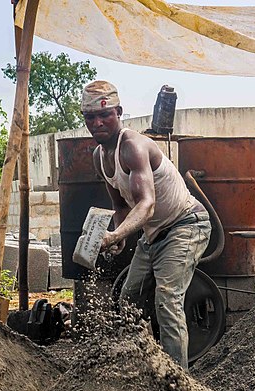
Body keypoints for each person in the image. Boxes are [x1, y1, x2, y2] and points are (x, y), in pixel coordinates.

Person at [81, 80, 211, 368]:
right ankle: (139, 368)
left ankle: (178, 381)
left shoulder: (133, 147)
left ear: (119, 112)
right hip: (153, 236)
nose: (98, 122)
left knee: (167, 299)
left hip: (186, 224)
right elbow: (120, 205)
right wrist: (120, 236)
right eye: (91, 117)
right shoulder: (99, 157)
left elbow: (146, 204)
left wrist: (115, 234)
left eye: (106, 115)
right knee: (129, 298)